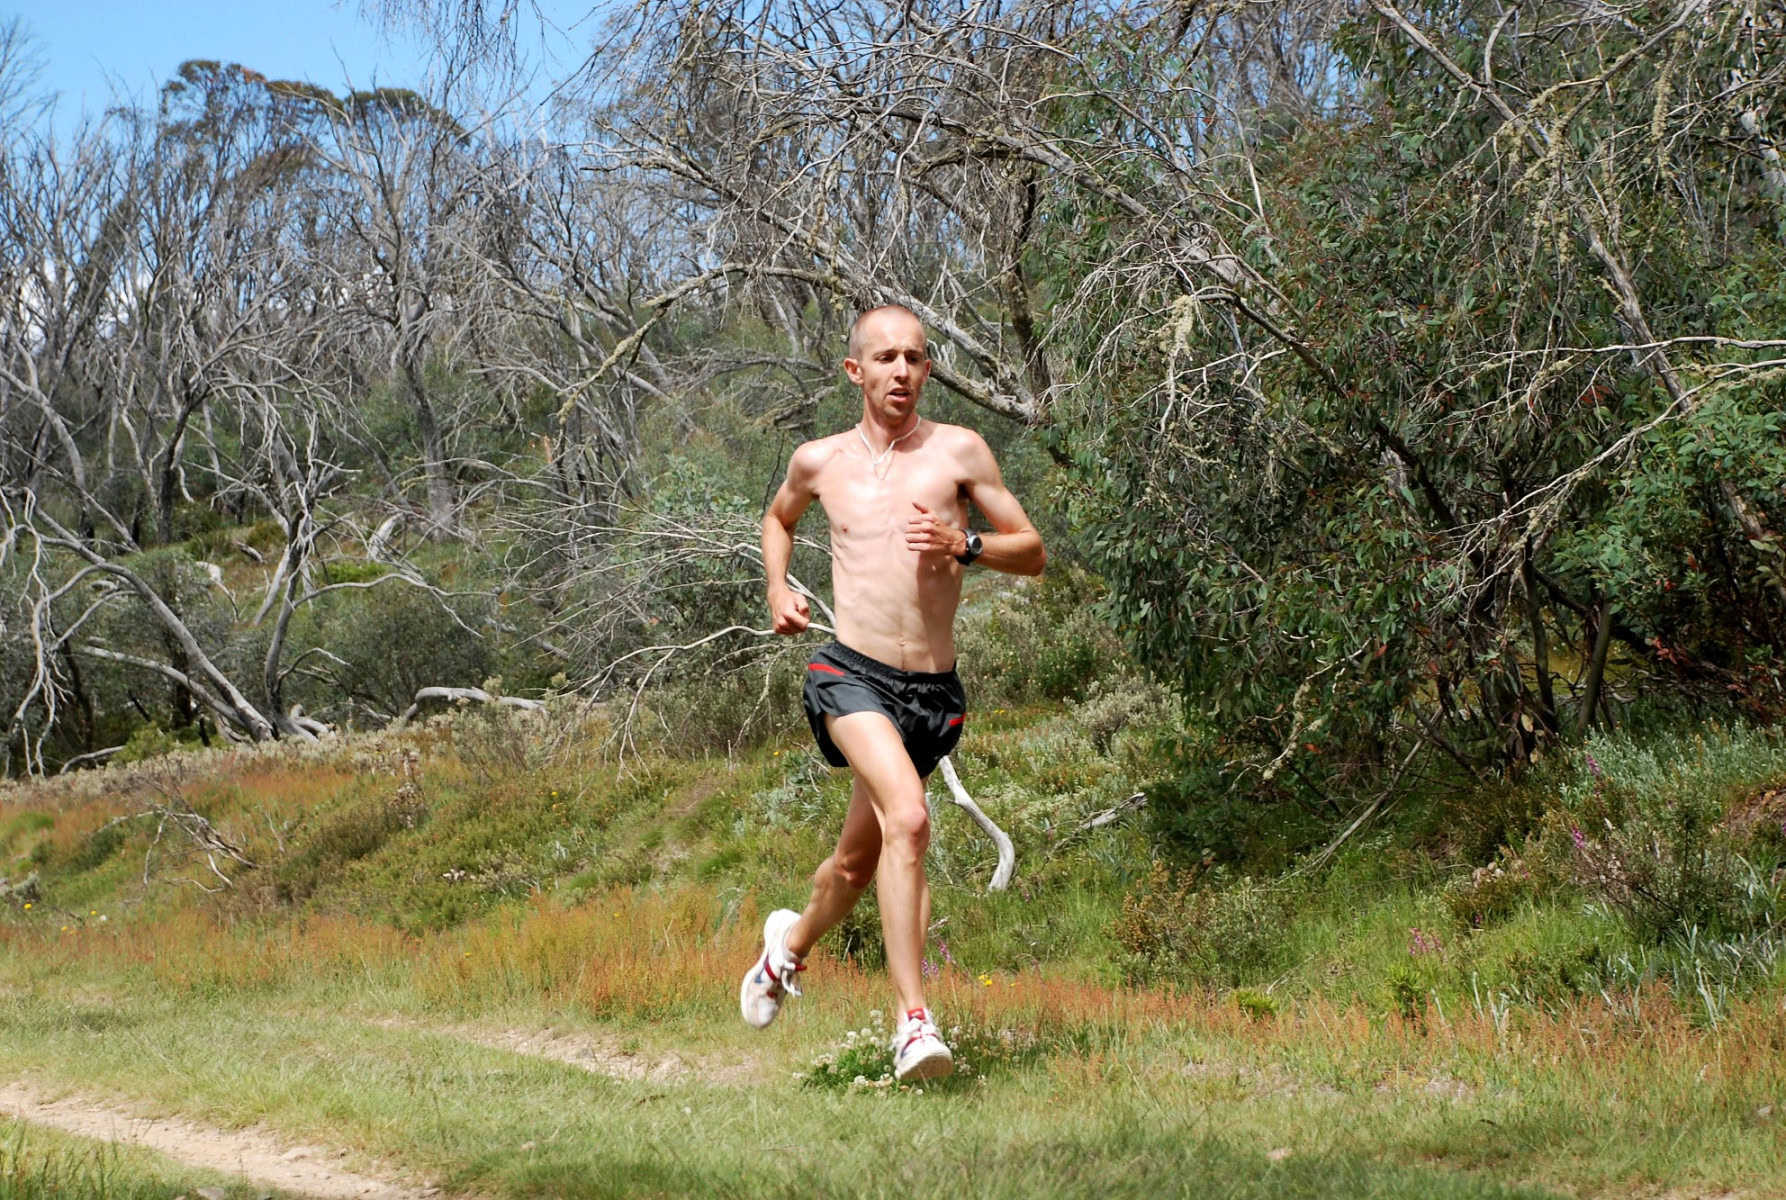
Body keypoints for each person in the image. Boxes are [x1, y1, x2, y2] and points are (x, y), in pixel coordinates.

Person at [740, 304, 1046, 1081]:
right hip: (850, 674)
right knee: (909, 819)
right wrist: (777, 588)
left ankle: (784, 951)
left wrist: (966, 543)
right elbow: (778, 520)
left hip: (931, 695)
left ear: (927, 369)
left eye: (914, 357)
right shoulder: (819, 461)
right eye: (885, 358)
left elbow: (1033, 551)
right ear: (856, 371)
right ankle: (913, 1022)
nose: (901, 370)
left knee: (854, 866)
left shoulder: (958, 451)